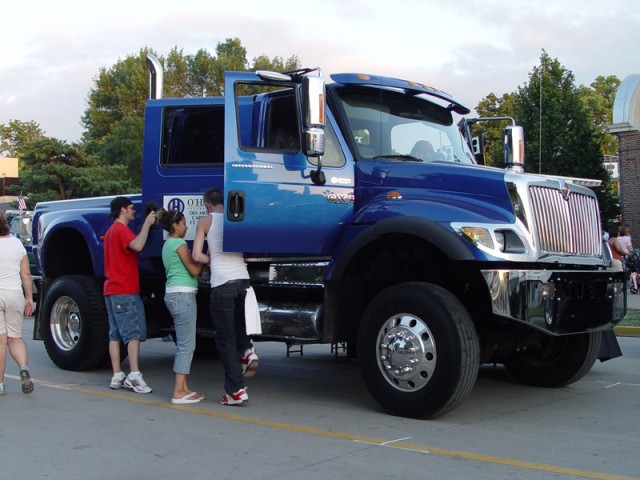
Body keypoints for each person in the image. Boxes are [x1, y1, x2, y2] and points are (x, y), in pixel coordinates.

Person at [192, 188, 258, 405]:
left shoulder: (205, 222)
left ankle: (236, 390)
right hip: (244, 281)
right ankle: (247, 350)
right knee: (239, 325)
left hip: (222, 284)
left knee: (225, 339)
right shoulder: (236, 220)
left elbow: (196, 255)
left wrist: (212, 259)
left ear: (207, 204)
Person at [104, 196, 156, 394]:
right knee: (132, 334)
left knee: (114, 335)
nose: (134, 211)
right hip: (125, 290)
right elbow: (137, 246)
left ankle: (117, 374)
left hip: (111, 289)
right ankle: (134, 375)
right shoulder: (121, 230)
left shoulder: (110, 231)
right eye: (131, 208)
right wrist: (147, 225)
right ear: (123, 210)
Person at [161, 210, 205, 404]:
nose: (187, 227)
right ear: (175, 225)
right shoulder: (179, 244)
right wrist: (204, 259)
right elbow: (194, 270)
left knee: (185, 343)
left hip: (174, 294)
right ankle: (178, 391)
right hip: (183, 295)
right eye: (184, 223)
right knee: (186, 345)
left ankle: (184, 387)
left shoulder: (167, 244)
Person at [0, 211, 35, 395]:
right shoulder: (16, 243)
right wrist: (29, 298)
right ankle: (23, 367)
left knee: (1, 341)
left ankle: (0, 384)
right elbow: (26, 274)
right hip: (15, 294)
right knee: (15, 338)